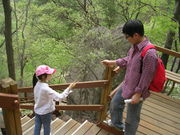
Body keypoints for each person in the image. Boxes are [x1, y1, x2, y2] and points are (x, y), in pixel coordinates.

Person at [101, 20, 158, 135]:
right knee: (115, 103)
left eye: (127, 36)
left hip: (137, 89)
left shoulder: (150, 54)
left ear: (136, 35)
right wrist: (113, 62)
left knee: (132, 118)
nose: (126, 39)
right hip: (127, 83)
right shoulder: (135, 46)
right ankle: (117, 125)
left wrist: (138, 93)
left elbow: (147, 77)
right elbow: (128, 60)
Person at [33, 65, 76, 135]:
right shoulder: (45, 89)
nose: (51, 75)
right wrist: (69, 88)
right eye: (49, 73)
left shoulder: (37, 85)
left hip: (37, 111)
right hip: (45, 112)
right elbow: (59, 97)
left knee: (37, 126)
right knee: (47, 127)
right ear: (44, 76)